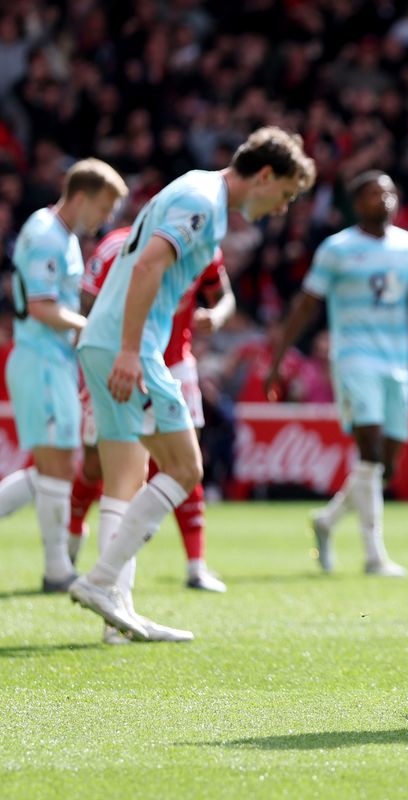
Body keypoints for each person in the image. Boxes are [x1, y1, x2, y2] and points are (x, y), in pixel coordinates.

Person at [68, 127, 315, 641]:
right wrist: (133, 351)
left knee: (125, 478)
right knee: (185, 468)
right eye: (285, 195)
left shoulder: (200, 193)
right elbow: (151, 266)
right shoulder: (204, 200)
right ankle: (99, 581)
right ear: (264, 175)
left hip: (103, 340)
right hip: (126, 344)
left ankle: (117, 611)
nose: (281, 209)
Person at [267, 170, 408, 576]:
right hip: (353, 359)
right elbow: (305, 306)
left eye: (388, 191)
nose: (382, 198)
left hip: (396, 362)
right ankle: (374, 555)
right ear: (355, 202)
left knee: (386, 465)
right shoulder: (337, 249)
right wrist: (278, 359)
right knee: (368, 450)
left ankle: (327, 521)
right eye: (371, 193)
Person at [69, 226, 234, 598]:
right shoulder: (118, 247)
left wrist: (217, 315)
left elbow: (224, 296)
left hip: (174, 363)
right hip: (119, 357)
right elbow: (87, 303)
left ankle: (194, 565)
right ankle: (72, 547)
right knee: (102, 466)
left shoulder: (205, 248)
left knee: (183, 464)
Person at [0, 158, 126, 592]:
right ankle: (57, 569)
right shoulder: (49, 237)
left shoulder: (61, 235)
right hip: (40, 359)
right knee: (55, 468)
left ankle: (57, 566)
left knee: (54, 468)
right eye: (104, 207)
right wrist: (91, 327)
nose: (106, 218)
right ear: (81, 197)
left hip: (51, 361)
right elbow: (41, 306)